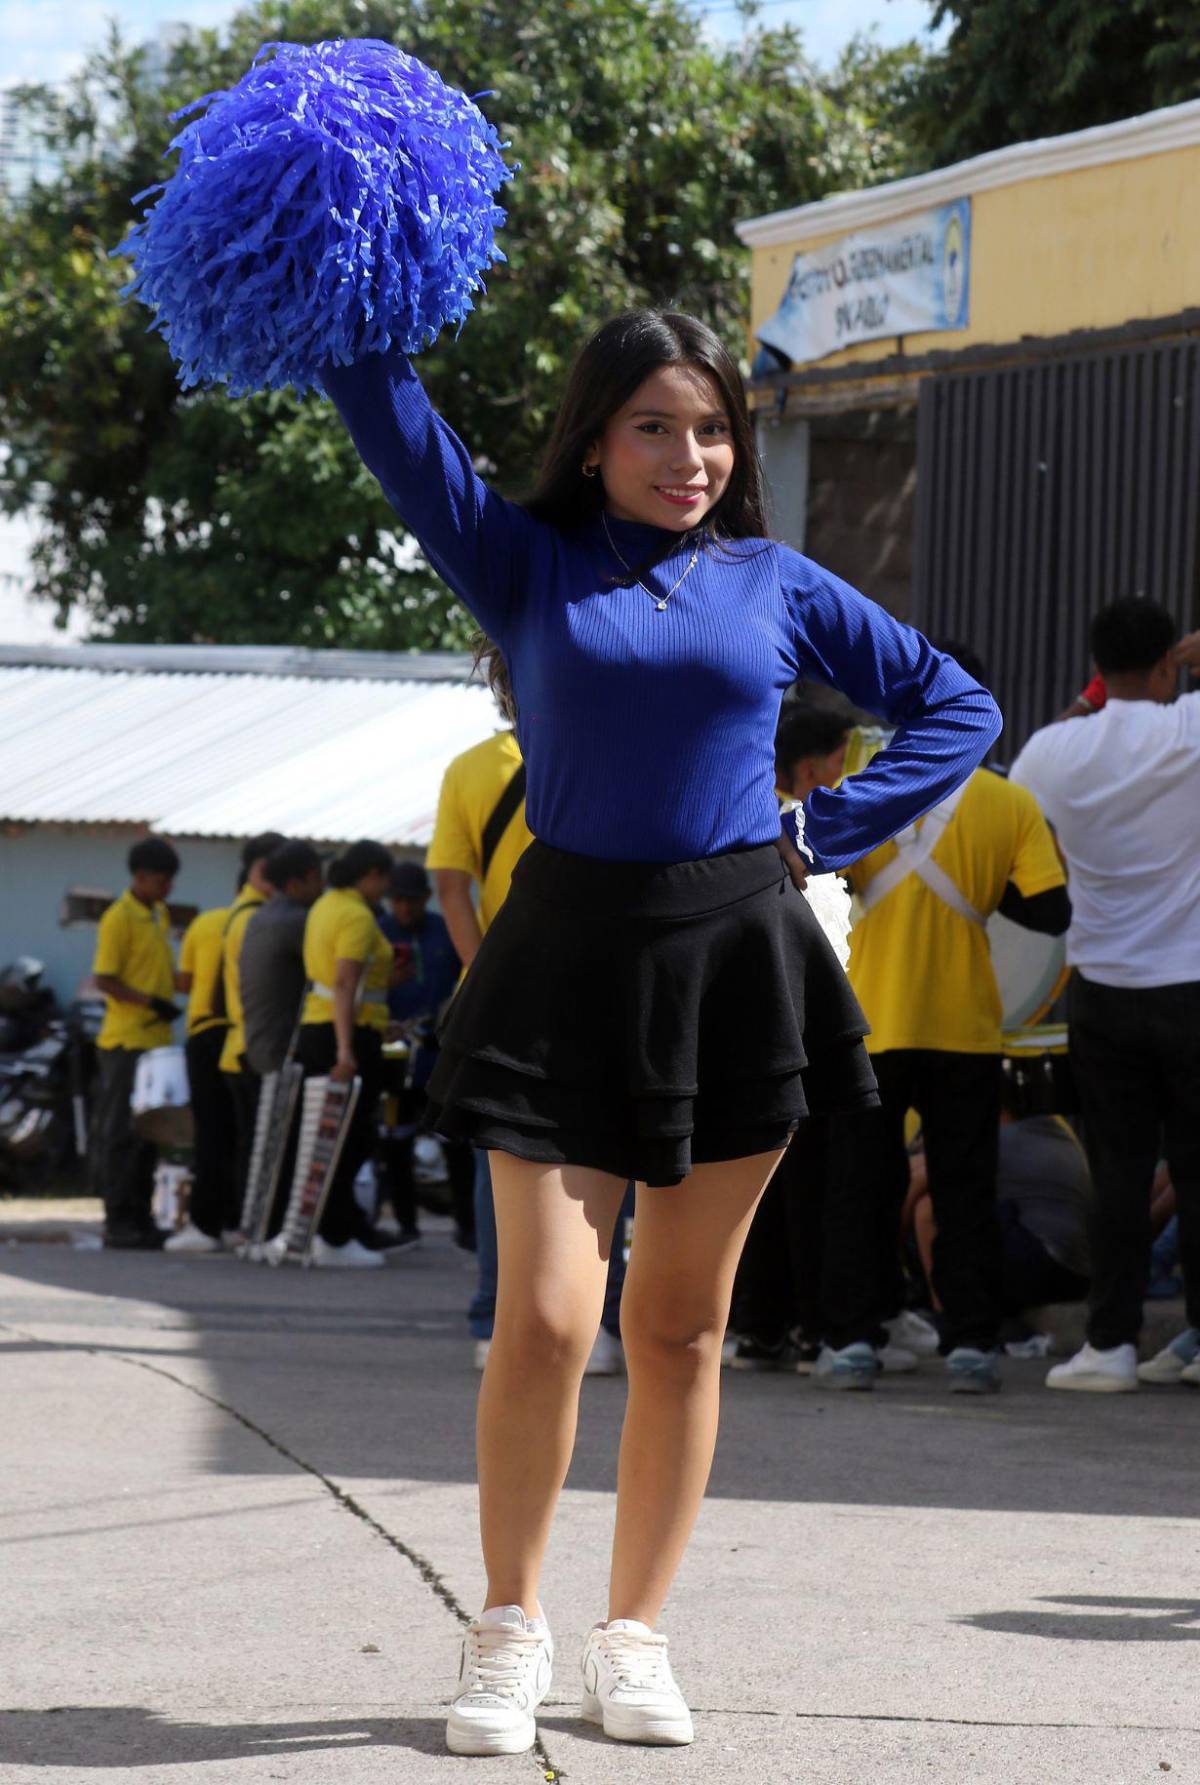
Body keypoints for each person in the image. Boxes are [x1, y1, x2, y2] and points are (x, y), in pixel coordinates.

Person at [323, 307, 999, 1755]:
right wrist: (335, 280)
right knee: (548, 1319)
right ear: (593, 437)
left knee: (681, 1328)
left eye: (711, 430)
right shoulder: (523, 558)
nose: (689, 455)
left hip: (736, 951)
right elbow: (390, 417)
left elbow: (959, 704)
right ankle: (509, 1627)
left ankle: (635, 1636)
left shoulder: (776, 580)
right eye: (653, 425)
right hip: (564, 953)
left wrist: (824, 824)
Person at [818, 643, 1069, 1394]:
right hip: (966, 1026)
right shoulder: (1010, 803)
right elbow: (1051, 907)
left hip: (871, 1021)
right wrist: (977, 891)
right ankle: (970, 1344)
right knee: (965, 1188)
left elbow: (821, 877)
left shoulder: (860, 784)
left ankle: (853, 1341)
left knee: (861, 1187)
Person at [1011, 600, 1200, 1393]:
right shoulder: (1188, 729)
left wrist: (1095, 698)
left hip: (1101, 988)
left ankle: (1111, 1344)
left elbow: (1030, 809)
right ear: (1167, 664)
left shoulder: (1051, 750)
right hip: (1190, 983)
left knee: (1118, 1171)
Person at [728, 694, 859, 1373]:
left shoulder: (737, 823)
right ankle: (812, 1328)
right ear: (811, 771)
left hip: (742, 1033)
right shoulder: (807, 833)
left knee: (747, 1186)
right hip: (803, 1027)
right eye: (841, 764)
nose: (844, 777)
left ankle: (757, 1327)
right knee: (809, 1186)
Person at [296, 838, 397, 1267]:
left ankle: (339, 1228)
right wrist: (345, 1049)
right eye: (384, 880)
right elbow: (345, 982)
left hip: (321, 1026)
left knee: (328, 1136)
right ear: (370, 874)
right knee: (349, 1138)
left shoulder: (324, 905)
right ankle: (335, 1237)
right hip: (346, 1036)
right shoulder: (356, 915)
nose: (386, 890)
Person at [90, 836, 182, 1249]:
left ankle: (141, 1218)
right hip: (125, 1040)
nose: (168, 889)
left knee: (148, 1131)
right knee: (121, 1133)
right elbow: (104, 979)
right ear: (140, 878)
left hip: (155, 1040)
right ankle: (117, 1219)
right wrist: (151, 1002)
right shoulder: (118, 917)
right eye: (161, 881)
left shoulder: (157, 913)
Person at [377, 860, 470, 1247]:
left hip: (439, 1059)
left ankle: (468, 1227)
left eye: (412, 901)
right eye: (398, 901)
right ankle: (405, 1226)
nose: (404, 909)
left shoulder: (443, 931)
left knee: (455, 1145)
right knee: (395, 1143)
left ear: (426, 899)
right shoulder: (378, 933)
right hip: (394, 1061)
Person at [218, 832, 287, 1217]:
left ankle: (248, 1220)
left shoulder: (250, 913)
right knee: (257, 1146)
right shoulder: (253, 919)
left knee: (252, 1144)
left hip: (243, 1045)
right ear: (259, 868)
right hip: (251, 1046)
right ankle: (253, 1221)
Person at [169, 890, 236, 1252]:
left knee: (210, 1133)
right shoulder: (260, 920)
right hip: (243, 1035)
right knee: (240, 1132)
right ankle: (236, 1219)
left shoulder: (204, 922)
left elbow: (186, 982)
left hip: (206, 1032)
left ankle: (205, 1224)